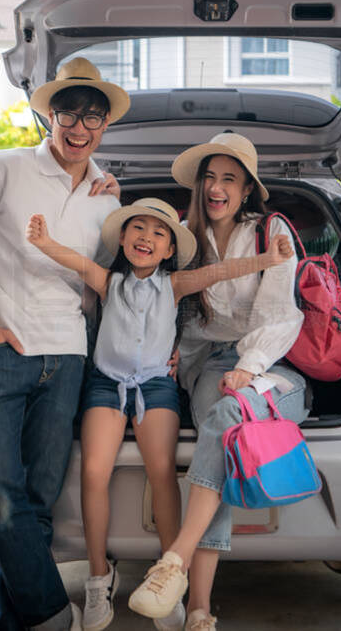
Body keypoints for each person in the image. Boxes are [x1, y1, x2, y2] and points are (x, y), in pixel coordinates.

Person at [0, 56, 129, 631]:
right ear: (49, 115)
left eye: (93, 116)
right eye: (68, 111)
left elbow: (111, 287)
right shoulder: (1, 168)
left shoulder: (107, 201)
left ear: (105, 125)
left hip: (65, 361)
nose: (79, 126)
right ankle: (49, 612)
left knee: (37, 507)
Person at [26, 198, 293, 631]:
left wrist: (267, 258)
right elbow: (74, 261)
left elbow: (219, 272)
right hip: (106, 384)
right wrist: (42, 241)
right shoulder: (109, 281)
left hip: (155, 386)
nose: (146, 237)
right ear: (123, 239)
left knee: (162, 472)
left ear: (170, 249)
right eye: (138, 228)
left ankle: (169, 577)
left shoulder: (176, 284)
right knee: (94, 472)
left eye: (158, 231)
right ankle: (98, 575)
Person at [126, 133, 309, 631]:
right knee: (222, 431)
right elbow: (169, 303)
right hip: (207, 361)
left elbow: (280, 317)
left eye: (229, 178)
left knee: (227, 418)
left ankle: (175, 566)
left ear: (247, 189)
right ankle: (198, 611)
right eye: (210, 177)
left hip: (274, 363)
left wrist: (248, 367)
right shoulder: (182, 237)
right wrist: (167, 351)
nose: (216, 187)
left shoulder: (270, 233)